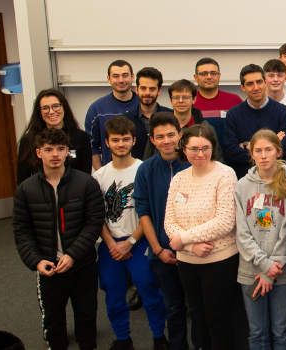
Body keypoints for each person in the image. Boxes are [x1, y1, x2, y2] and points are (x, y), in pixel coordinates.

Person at [13, 127, 104, 350]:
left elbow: (93, 224)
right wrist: (36, 261)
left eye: (60, 149)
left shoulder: (86, 183)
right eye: (48, 149)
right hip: (48, 268)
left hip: (82, 266)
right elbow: (21, 230)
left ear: (67, 153)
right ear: (38, 153)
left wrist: (73, 255)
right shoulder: (26, 189)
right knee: (53, 322)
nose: (55, 154)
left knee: (86, 317)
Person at [94, 117, 169, 350]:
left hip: (140, 240)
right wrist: (112, 244)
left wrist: (130, 242)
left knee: (148, 288)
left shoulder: (143, 170)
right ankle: (123, 339)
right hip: (110, 245)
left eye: (126, 139)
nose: (120, 144)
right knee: (112, 292)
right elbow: (96, 216)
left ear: (134, 140)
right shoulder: (99, 176)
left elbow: (149, 212)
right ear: (107, 143)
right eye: (115, 140)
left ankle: (159, 336)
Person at [163, 125, 239, 350]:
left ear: (213, 148)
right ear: (183, 150)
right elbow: (169, 220)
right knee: (199, 319)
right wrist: (190, 246)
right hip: (188, 262)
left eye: (205, 148)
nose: (200, 154)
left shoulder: (225, 174)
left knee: (217, 321)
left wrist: (183, 239)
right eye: (194, 149)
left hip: (219, 261)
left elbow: (225, 221)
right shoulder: (179, 178)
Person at [135, 113, 199, 350]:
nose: (166, 141)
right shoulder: (145, 170)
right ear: (152, 140)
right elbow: (143, 212)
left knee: (197, 307)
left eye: (171, 134)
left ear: (181, 135)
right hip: (163, 253)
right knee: (173, 308)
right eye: (159, 137)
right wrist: (158, 249)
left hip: (194, 252)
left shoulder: (194, 164)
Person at [234, 130, 286, 350]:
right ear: (251, 154)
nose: (263, 155)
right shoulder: (242, 185)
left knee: (282, 331)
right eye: (258, 150)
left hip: (283, 270)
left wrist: (273, 266)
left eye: (268, 150)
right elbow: (242, 233)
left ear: (278, 152)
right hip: (250, 271)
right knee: (257, 333)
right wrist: (264, 265)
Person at [222, 64, 286, 178]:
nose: (256, 87)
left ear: (265, 82)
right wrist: (272, 145)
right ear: (242, 87)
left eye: (259, 82)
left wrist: (247, 145)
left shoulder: (282, 112)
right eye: (250, 84)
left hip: (276, 178)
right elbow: (230, 151)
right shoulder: (233, 114)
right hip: (244, 179)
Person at [16, 89, 92, 184]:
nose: (51, 112)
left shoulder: (81, 137)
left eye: (56, 106)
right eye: (45, 108)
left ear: (64, 107)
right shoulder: (28, 140)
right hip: (40, 195)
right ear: (39, 112)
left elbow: (85, 176)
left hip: (74, 195)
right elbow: (22, 180)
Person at [144, 80, 222, 161]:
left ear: (194, 99)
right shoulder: (159, 127)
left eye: (185, 97)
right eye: (176, 97)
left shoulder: (206, 128)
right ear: (171, 100)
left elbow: (217, 159)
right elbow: (148, 159)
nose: (181, 101)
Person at [87, 60, 139, 169]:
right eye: (116, 76)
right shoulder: (97, 109)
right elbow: (92, 147)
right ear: (108, 79)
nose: (121, 80)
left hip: (142, 174)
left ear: (132, 77)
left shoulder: (143, 106)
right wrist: (101, 175)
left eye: (125, 75)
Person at [120, 67, 173, 161]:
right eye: (143, 88)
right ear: (136, 89)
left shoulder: (171, 117)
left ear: (159, 90)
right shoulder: (125, 120)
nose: (147, 93)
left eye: (152, 89)